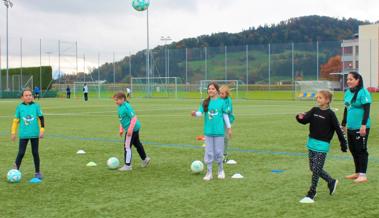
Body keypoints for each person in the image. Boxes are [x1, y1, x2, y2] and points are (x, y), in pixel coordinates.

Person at [296, 90, 347, 204]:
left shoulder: (330, 114)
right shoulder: (314, 110)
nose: (317, 99)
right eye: (317, 97)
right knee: (313, 168)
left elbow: (339, 130)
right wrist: (299, 117)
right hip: (311, 144)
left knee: (316, 170)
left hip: (322, 146)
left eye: (320, 97)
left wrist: (343, 144)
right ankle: (331, 181)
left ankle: (311, 193)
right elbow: (305, 120)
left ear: (327, 100)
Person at [192, 82, 232, 181]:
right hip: (208, 132)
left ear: (217, 91)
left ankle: (221, 170)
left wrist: (229, 128)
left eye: (213, 89)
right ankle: (209, 172)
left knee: (219, 152)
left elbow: (225, 116)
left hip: (219, 132)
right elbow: (200, 113)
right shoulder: (205, 102)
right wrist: (195, 114)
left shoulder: (221, 102)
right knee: (208, 152)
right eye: (209, 88)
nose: (211, 90)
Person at [341, 71, 371, 183]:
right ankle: (358, 172)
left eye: (351, 79)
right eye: (347, 79)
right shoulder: (348, 93)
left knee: (361, 150)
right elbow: (346, 108)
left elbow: (367, 109)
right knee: (353, 149)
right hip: (351, 127)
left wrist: (363, 125)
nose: (348, 81)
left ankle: (363, 175)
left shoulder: (363, 92)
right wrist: (343, 124)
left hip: (361, 127)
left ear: (357, 80)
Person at [11, 88, 45, 180]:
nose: (29, 97)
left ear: (32, 96)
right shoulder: (19, 107)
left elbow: (41, 118)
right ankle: (15, 170)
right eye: (26, 95)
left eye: (30, 95)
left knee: (35, 153)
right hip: (23, 134)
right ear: (22, 97)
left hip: (34, 134)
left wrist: (42, 130)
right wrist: (13, 132)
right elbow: (15, 121)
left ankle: (37, 172)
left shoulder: (36, 106)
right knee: (21, 153)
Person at [113, 92, 151, 171]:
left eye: (117, 100)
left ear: (123, 99)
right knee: (137, 143)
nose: (115, 101)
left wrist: (130, 130)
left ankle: (127, 166)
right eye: (115, 100)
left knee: (127, 147)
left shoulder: (126, 107)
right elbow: (122, 119)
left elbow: (134, 118)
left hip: (133, 129)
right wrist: (121, 129)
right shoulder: (120, 107)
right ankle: (145, 159)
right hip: (134, 128)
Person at [219, 85, 235, 162]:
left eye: (222, 93)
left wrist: (229, 128)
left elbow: (227, 113)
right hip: (218, 121)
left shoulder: (229, 101)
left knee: (225, 137)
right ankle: (218, 154)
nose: (221, 95)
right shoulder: (218, 99)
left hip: (227, 120)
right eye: (220, 93)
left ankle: (224, 155)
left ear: (226, 94)